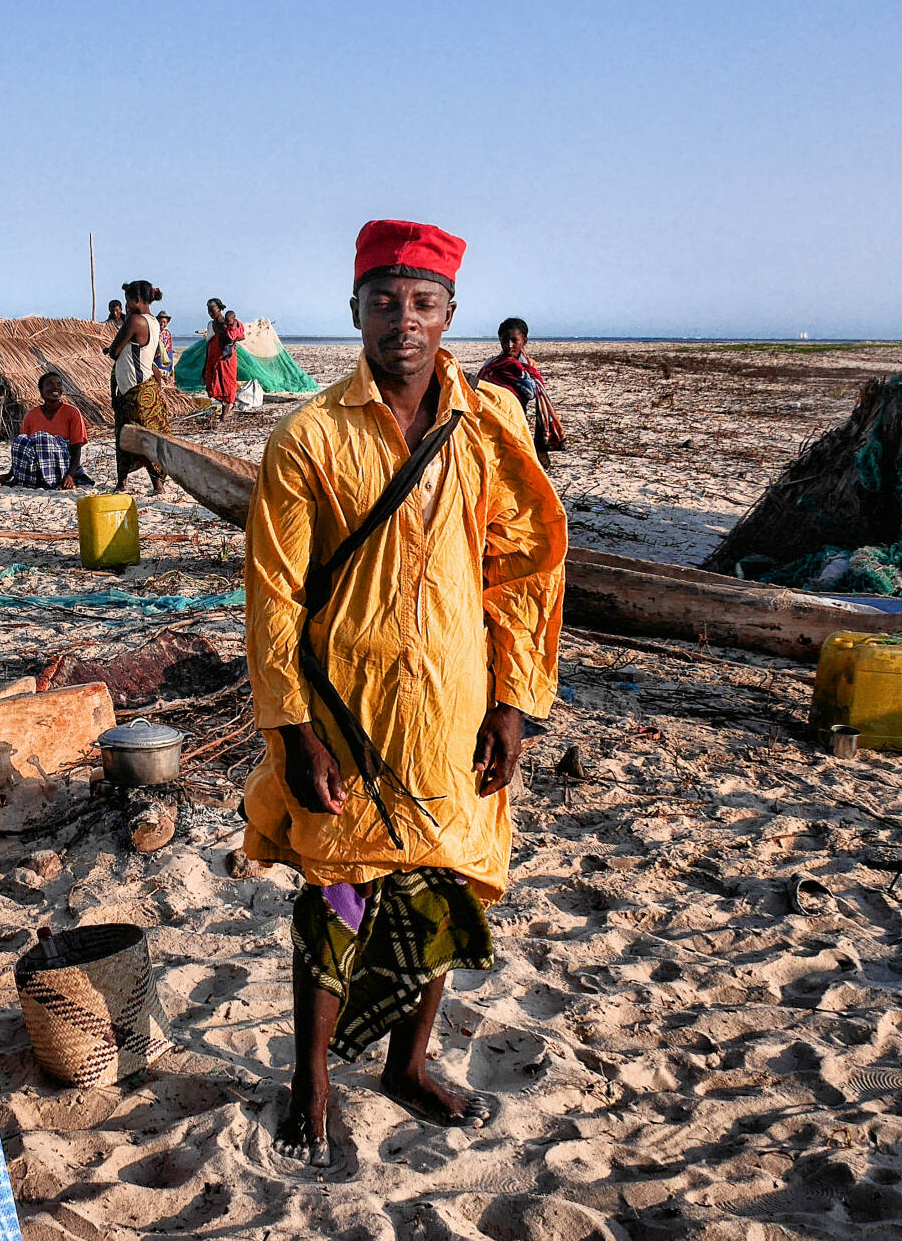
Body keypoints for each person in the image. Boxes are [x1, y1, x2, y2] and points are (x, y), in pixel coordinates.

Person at [242, 220, 565, 1165]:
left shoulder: (491, 427)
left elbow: (522, 570)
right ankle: (311, 1082)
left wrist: (513, 702)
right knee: (336, 895)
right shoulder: (308, 436)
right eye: (384, 301)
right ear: (355, 312)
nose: (404, 320)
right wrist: (293, 731)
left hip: (454, 710)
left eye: (423, 302)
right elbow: (274, 595)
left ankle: (407, 1065)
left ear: (450, 313)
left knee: (445, 890)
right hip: (341, 713)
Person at [104, 279, 172, 494]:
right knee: (149, 436)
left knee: (126, 435)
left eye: (127, 301)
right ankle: (157, 484)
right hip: (147, 386)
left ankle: (123, 482)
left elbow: (116, 351)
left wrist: (111, 349)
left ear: (137, 300)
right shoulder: (152, 321)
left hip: (134, 389)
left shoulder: (134, 320)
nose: (125, 306)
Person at [477, 318, 560, 467]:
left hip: (517, 418)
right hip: (490, 420)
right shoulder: (491, 365)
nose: (509, 345)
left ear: (524, 341)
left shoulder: (528, 367)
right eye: (505, 340)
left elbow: (531, 392)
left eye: (514, 340)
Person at [0, 370, 90, 489]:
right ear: (41, 391)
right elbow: (22, 451)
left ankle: (53, 481)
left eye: (59, 384)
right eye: (49, 384)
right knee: (21, 440)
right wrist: (9, 475)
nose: (55, 387)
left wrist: (70, 475)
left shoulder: (72, 412)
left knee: (41, 438)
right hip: (37, 468)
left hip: (63, 465)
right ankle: (30, 480)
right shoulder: (31, 415)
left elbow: (76, 448)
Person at [204, 299, 244, 428]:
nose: (210, 312)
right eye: (209, 310)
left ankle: (224, 417)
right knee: (214, 385)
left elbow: (240, 336)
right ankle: (226, 409)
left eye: (213, 309)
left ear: (219, 309)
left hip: (225, 360)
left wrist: (229, 339)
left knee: (227, 385)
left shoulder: (225, 324)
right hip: (213, 359)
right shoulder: (211, 324)